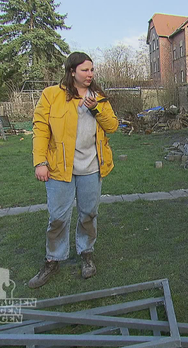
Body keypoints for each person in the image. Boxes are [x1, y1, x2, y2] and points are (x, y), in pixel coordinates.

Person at [29, 52, 119, 289]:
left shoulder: (99, 97)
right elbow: (40, 130)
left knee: (88, 214)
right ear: (71, 71)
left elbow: (113, 126)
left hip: (91, 167)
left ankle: (86, 253)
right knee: (58, 216)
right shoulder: (51, 95)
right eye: (84, 70)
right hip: (59, 169)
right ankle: (53, 259)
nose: (90, 75)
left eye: (91, 70)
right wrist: (40, 162)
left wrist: (95, 110)